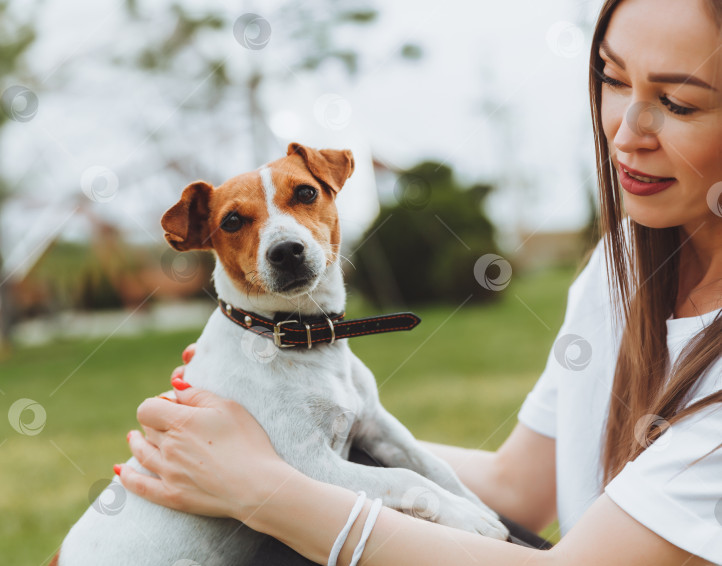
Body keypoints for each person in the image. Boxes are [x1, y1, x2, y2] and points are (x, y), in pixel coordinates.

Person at [116, 0, 722, 563]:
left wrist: (264, 486)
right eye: (612, 79)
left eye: (679, 102)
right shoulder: (620, 270)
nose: (624, 130)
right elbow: (520, 487)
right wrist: (275, 438)